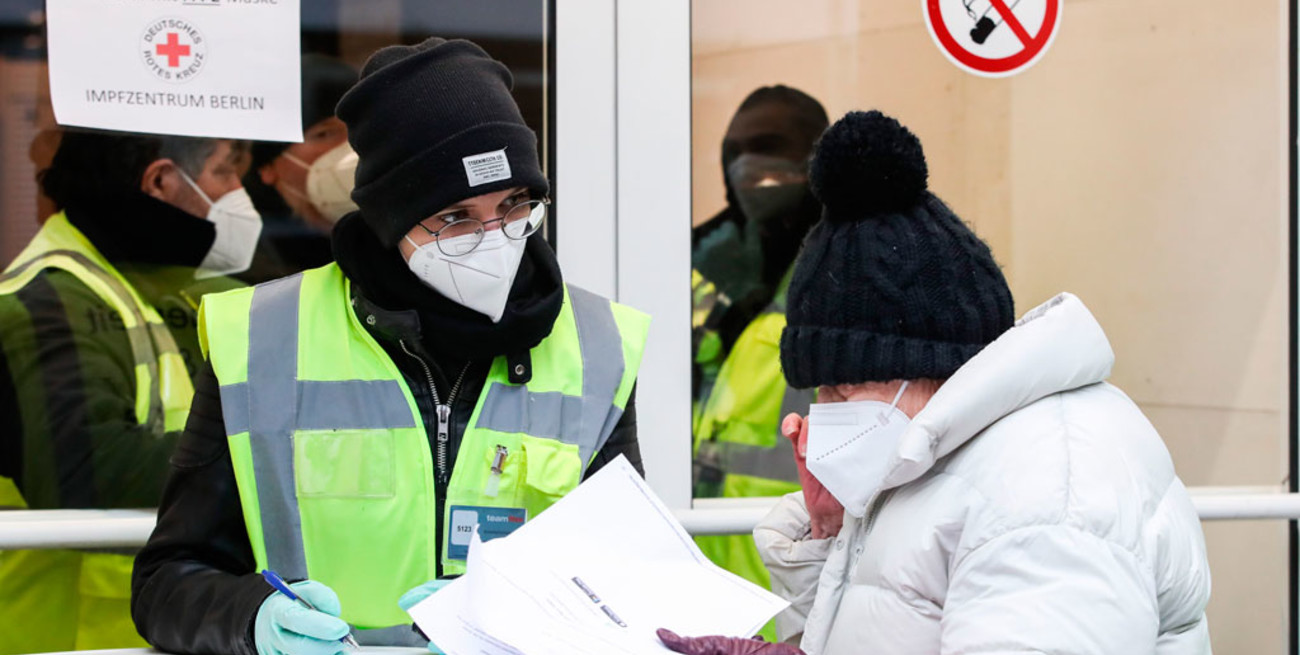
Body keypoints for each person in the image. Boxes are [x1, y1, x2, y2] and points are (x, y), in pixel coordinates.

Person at [131, 37, 650, 655]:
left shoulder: (597, 345)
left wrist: (525, 625)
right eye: (455, 218)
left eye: (515, 205)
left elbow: (625, 576)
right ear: (389, 220)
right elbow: (167, 581)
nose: (495, 240)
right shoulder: (264, 338)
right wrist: (254, 621)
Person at [662, 111, 1211, 654]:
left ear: (924, 362)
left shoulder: (1049, 496)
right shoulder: (943, 460)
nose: (820, 413)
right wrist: (828, 538)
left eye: (839, 389)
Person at [0, 130, 256, 654]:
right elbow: (88, 466)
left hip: (182, 624)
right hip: (74, 636)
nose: (240, 190)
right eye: (226, 171)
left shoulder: (203, 290)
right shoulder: (37, 304)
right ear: (160, 181)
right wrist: (269, 457)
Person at [691, 87, 827, 638]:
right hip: (700, 577)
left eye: (769, 148)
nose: (749, 166)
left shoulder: (847, 267)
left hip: (798, 588)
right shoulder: (697, 256)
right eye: (736, 151)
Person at [240, 54, 360, 282]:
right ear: (267, 165)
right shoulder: (250, 258)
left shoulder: (398, 240)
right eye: (324, 134)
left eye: (357, 129)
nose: (351, 147)